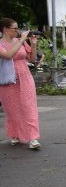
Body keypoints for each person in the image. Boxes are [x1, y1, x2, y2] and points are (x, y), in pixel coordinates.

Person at [0, 18, 41, 149]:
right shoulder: (1, 43)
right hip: (8, 80)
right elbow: (8, 55)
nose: (18, 31)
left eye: (18, 28)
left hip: (25, 76)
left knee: (29, 107)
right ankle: (15, 134)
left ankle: (33, 138)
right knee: (12, 109)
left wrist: (33, 44)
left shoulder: (20, 41)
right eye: (15, 28)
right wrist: (22, 40)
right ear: (5, 29)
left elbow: (32, 59)